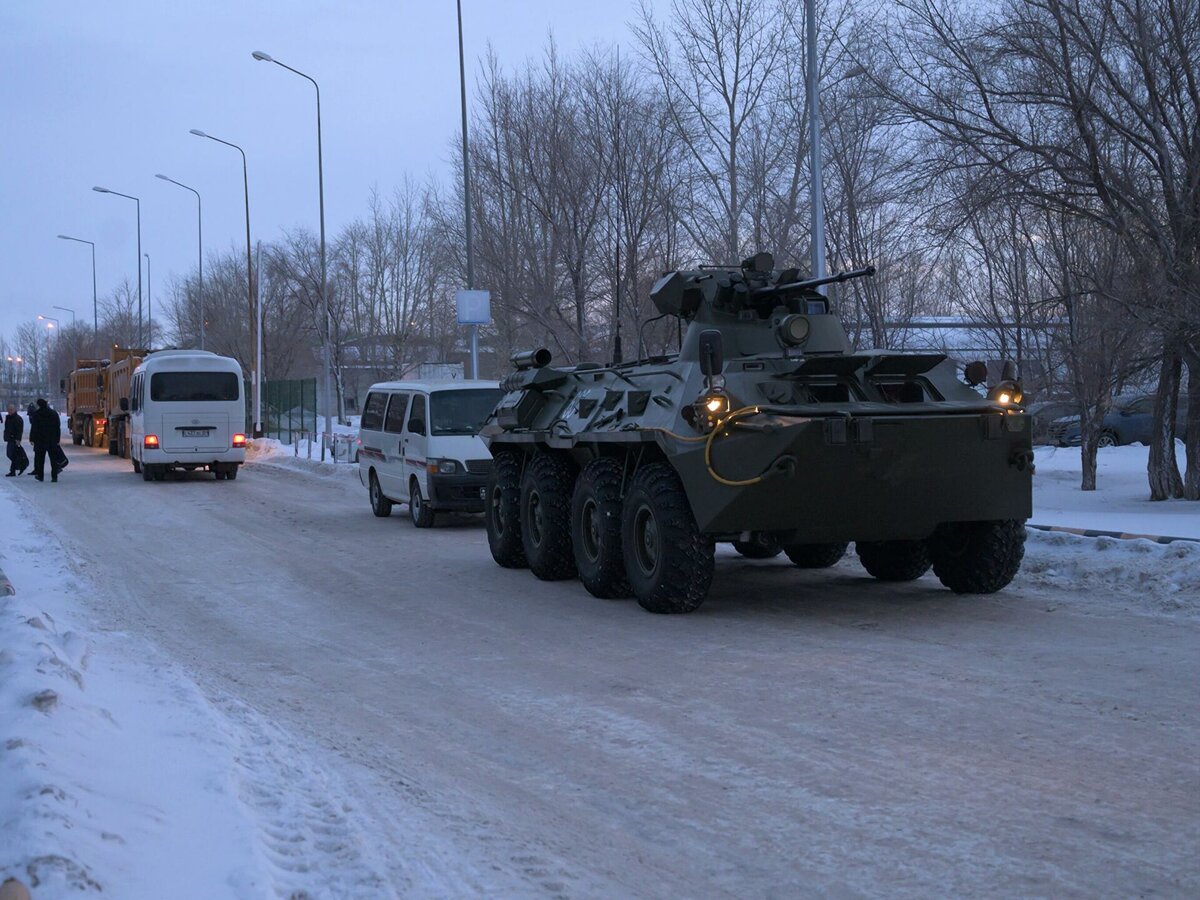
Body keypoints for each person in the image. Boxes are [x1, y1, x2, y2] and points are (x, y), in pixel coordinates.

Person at [29, 398, 64, 483]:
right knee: (53, 459)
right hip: (52, 440)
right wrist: (57, 439)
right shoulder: (53, 413)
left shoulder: (37, 414)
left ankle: (40, 476)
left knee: (40, 459)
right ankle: (54, 476)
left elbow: (34, 428)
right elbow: (57, 427)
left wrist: (32, 438)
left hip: (40, 440)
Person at [4, 404, 26, 476]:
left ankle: (14, 470)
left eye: (11, 410)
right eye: (8, 410)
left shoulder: (17, 419)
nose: (9, 411)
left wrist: (18, 439)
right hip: (10, 438)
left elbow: (19, 430)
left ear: (14, 410)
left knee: (13, 454)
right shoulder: (9, 418)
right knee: (11, 454)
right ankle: (20, 466)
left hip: (14, 439)